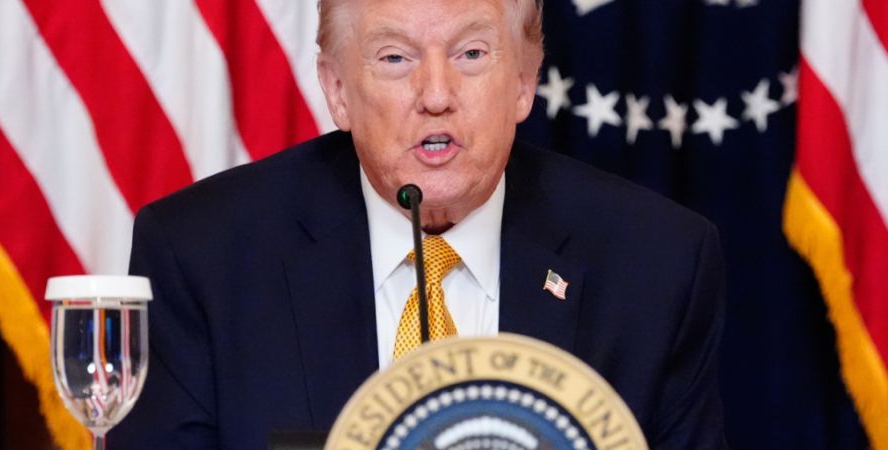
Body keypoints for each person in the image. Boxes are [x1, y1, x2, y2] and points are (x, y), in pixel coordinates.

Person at [108, 0, 727, 448]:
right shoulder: (202, 256)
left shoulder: (656, 263)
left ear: (524, 82)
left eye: (471, 54)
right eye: (395, 57)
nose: (436, 94)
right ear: (337, 90)